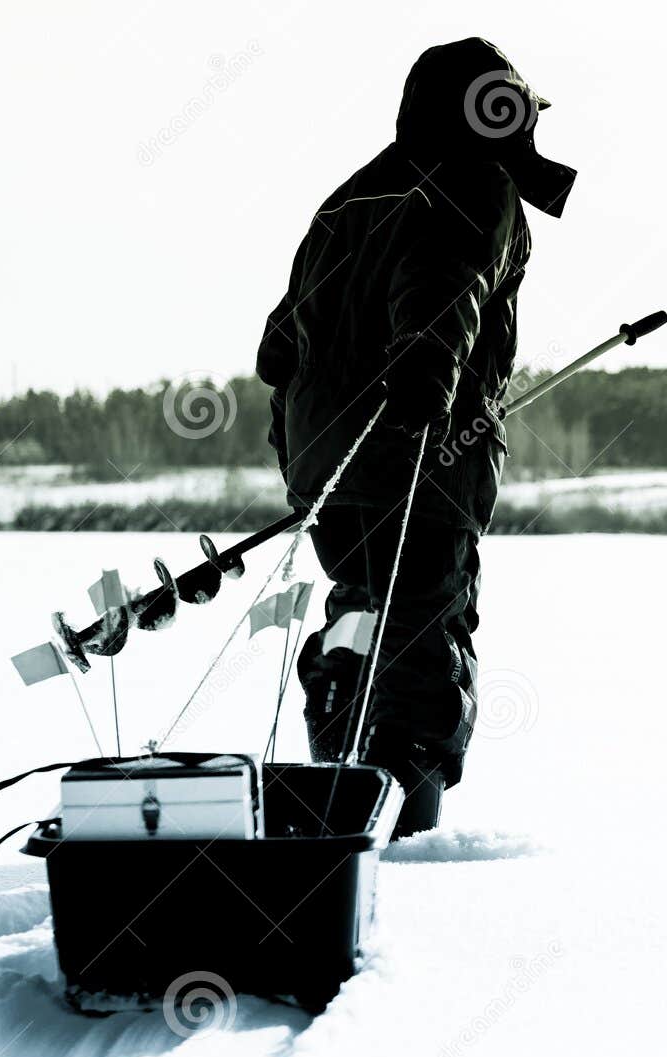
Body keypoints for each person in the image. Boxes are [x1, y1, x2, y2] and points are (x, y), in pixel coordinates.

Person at [255, 38, 574, 840]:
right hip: (421, 451)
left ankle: (337, 775)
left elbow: (279, 342)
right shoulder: (473, 185)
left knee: (361, 611)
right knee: (424, 630)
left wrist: (307, 437)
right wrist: (425, 381)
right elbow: (444, 289)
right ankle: (402, 825)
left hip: (327, 459)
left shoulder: (353, 194)